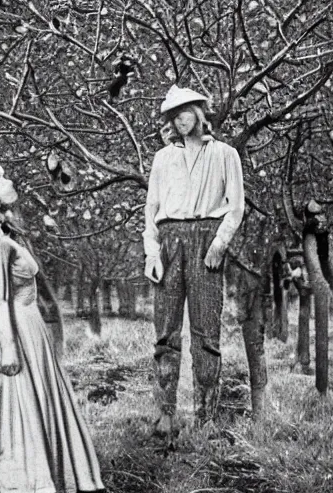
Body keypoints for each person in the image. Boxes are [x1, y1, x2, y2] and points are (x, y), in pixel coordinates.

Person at [0, 161, 104, 493]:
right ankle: (26, 485)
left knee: (32, 403)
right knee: (18, 405)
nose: (9, 180)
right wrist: (8, 349)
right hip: (12, 330)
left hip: (25, 326)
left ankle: (47, 478)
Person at [143, 85, 245, 438]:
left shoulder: (225, 154)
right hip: (169, 240)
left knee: (206, 332)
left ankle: (206, 417)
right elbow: (152, 209)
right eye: (174, 115)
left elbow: (236, 207)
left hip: (206, 239)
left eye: (185, 112)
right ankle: (165, 413)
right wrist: (151, 252)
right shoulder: (163, 158)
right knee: (166, 332)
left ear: (200, 112)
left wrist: (219, 244)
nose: (179, 120)